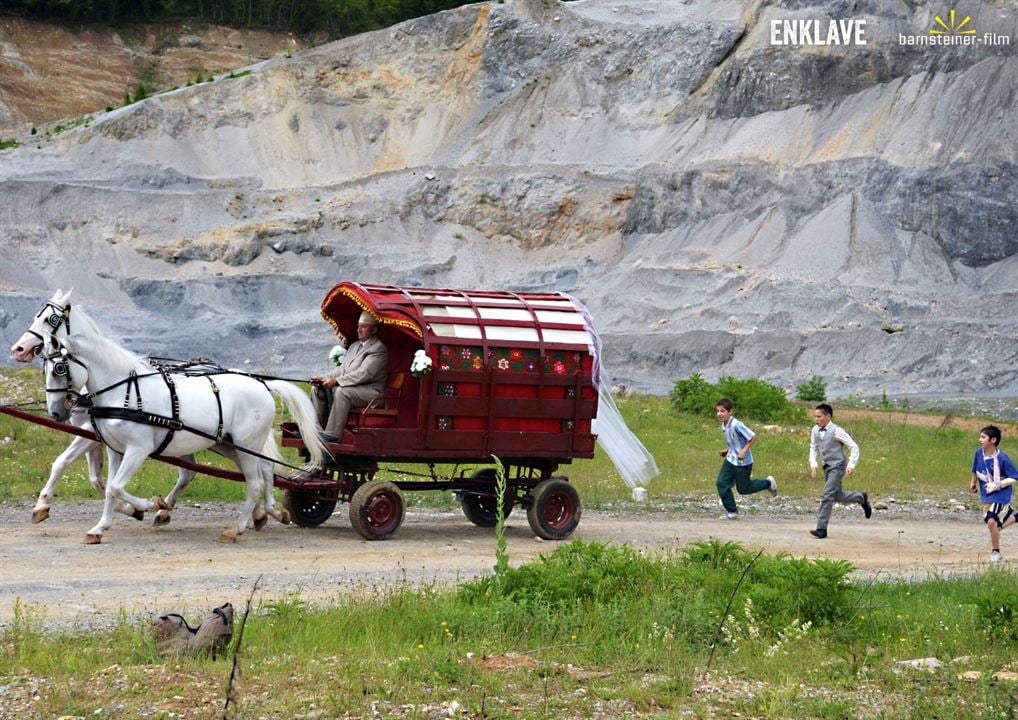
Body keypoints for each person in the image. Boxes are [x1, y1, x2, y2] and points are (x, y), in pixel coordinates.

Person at [310, 311, 389, 442]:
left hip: (370, 393)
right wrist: (324, 378)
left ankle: (331, 435)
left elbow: (365, 373)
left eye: (363, 326)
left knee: (342, 392)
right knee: (317, 389)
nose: (359, 330)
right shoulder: (354, 346)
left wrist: (336, 381)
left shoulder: (378, 349)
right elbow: (342, 369)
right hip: (353, 388)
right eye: (358, 326)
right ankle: (314, 431)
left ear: (374, 330)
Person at [808, 403, 870, 538]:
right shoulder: (815, 430)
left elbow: (854, 447)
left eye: (819, 416)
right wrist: (813, 464)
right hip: (827, 466)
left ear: (828, 416)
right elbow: (813, 447)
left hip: (838, 466)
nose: (816, 419)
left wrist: (851, 465)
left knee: (826, 495)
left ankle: (821, 529)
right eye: (815, 417)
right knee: (836, 496)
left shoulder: (837, 430)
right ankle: (861, 498)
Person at [714, 398, 778, 520]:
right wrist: (727, 450)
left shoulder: (736, 424)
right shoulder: (724, 424)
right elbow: (734, 441)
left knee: (743, 489)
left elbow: (752, 437)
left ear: (730, 411)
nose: (719, 414)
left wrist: (743, 450)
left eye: (722, 411)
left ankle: (768, 483)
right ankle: (732, 511)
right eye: (717, 411)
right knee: (721, 483)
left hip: (743, 462)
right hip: (731, 459)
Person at [969, 425, 1017, 564]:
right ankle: (1014, 517)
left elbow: (1014, 476)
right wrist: (972, 482)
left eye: (983, 437)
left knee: (991, 522)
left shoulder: (1002, 458)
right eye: (980, 436)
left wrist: (998, 485)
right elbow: (975, 470)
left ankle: (996, 552)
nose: (980, 440)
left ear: (993, 440)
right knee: (992, 524)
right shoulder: (978, 454)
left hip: (1001, 495)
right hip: (987, 495)